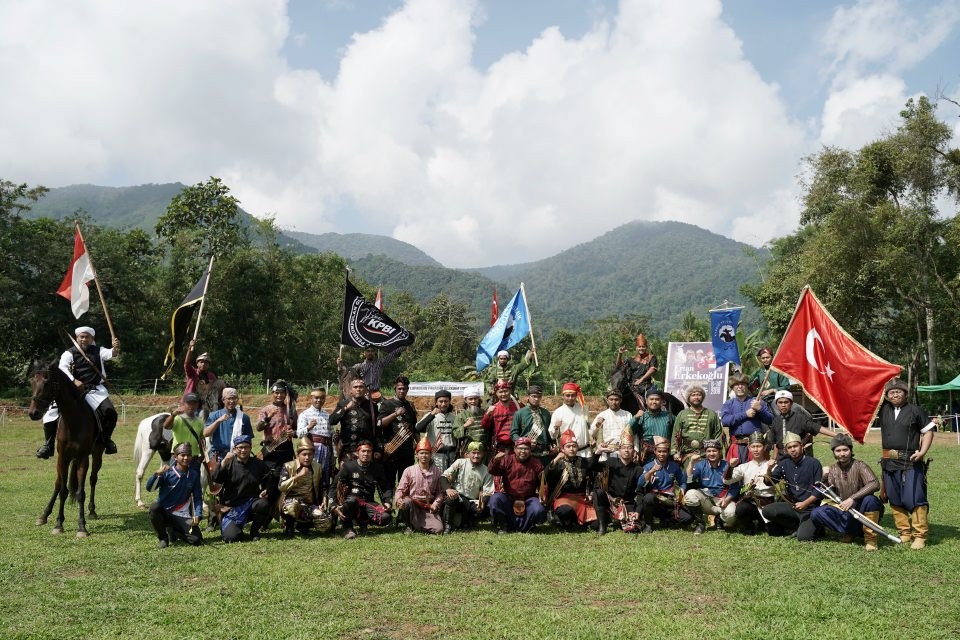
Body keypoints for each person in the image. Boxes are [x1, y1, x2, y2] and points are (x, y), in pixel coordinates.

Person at [877, 379, 937, 549]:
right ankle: (904, 532)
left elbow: (928, 431)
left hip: (911, 461)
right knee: (894, 497)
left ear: (905, 393)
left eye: (898, 391)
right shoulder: (883, 410)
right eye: (891, 392)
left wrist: (922, 452)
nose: (895, 394)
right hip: (888, 461)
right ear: (887, 396)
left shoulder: (915, 410)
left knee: (915, 496)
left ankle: (920, 535)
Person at [797, 433, 884, 550]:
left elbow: (874, 484)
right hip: (843, 509)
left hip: (861, 508)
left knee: (871, 500)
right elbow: (822, 491)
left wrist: (852, 498)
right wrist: (823, 477)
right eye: (838, 451)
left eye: (845, 450)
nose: (842, 454)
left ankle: (870, 539)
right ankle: (849, 532)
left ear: (851, 450)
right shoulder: (832, 469)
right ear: (833, 452)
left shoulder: (860, 465)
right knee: (816, 513)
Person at [57, 326, 120, 454]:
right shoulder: (69, 353)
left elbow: (111, 353)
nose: (84, 339)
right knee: (51, 414)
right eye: (82, 337)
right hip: (75, 392)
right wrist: (73, 380)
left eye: (87, 337)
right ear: (77, 338)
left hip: (95, 391)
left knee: (110, 412)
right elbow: (62, 368)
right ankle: (48, 444)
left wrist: (116, 347)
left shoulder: (99, 351)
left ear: (92, 339)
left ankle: (106, 440)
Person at [210, 434, 271, 543]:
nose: (243, 450)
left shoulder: (258, 464)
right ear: (234, 449)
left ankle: (254, 531)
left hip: (251, 504)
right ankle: (235, 528)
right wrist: (223, 463)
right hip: (231, 508)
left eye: (246, 447)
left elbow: (268, 479)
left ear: (250, 448)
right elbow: (216, 479)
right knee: (231, 538)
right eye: (240, 448)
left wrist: (265, 489)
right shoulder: (228, 464)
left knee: (263, 504)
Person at [761, 432, 822, 536]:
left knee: (804, 538)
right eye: (789, 447)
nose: (793, 449)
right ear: (786, 450)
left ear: (802, 447)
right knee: (767, 511)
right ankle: (796, 526)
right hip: (793, 506)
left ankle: (815, 527)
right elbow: (769, 481)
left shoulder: (814, 463)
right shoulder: (784, 463)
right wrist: (769, 469)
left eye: (795, 446)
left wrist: (805, 504)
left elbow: (819, 490)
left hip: (809, 508)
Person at [330, 441, 394, 539]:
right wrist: (333, 505)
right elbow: (334, 487)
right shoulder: (348, 467)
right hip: (350, 503)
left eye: (369, 451)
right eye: (363, 451)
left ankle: (362, 523)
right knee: (352, 501)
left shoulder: (377, 468)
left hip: (368, 503)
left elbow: (385, 487)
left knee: (386, 517)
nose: (366, 454)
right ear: (357, 453)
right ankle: (348, 527)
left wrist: (388, 501)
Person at [146, 442, 203, 549]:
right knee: (154, 507)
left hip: (182, 515)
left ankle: (174, 531)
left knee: (196, 540)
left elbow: (198, 497)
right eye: (182, 455)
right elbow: (150, 488)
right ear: (175, 457)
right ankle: (163, 538)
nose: (186, 458)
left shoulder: (194, 475)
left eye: (188, 455)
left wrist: (198, 514)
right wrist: (157, 474)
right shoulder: (167, 473)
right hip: (166, 513)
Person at [487, 437, 546, 533]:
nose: (523, 451)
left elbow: (543, 482)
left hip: (529, 499)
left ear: (530, 450)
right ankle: (504, 525)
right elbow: (492, 471)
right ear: (514, 449)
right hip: (509, 497)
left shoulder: (536, 463)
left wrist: (543, 495)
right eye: (520, 448)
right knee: (495, 499)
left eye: (526, 449)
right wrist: (496, 461)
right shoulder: (507, 459)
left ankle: (528, 526)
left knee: (538, 509)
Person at [278, 436, 333, 537]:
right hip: (290, 502)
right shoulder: (288, 466)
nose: (307, 458)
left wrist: (324, 500)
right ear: (297, 455)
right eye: (304, 454)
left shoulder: (317, 467)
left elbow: (323, 487)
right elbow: (281, 487)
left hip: (309, 504)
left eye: (310, 454)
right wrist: (297, 476)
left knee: (325, 523)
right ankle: (289, 525)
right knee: (293, 507)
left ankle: (303, 525)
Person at [723, 432, 776, 535]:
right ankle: (749, 526)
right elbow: (727, 481)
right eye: (753, 447)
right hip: (750, 503)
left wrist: (770, 469)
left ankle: (763, 523)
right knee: (741, 508)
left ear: (764, 447)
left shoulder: (772, 465)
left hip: (768, 503)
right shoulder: (744, 466)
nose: (756, 450)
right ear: (749, 448)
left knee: (774, 531)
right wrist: (730, 466)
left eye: (759, 446)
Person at [592, 431, 645, 534]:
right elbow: (593, 467)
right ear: (619, 450)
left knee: (632, 527)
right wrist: (598, 451)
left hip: (627, 503)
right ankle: (602, 526)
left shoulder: (638, 469)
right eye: (624, 448)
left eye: (629, 448)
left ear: (633, 451)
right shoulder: (611, 462)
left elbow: (640, 493)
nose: (626, 450)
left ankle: (616, 519)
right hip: (610, 502)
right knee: (598, 493)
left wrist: (638, 511)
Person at [545, 430, 597, 530]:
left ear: (577, 447)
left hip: (582, 499)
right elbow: (546, 476)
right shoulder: (559, 463)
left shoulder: (584, 461)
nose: (572, 449)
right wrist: (555, 460)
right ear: (562, 449)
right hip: (563, 499)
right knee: (565, 511)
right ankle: (567, 520)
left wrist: (592, 493)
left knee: (597, 524)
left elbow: (595, 477)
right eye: (568, 446)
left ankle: (576, 522)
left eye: (574, 446)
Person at [683, 439, 736, 534]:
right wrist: (691, 463)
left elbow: (735, 487)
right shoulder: (700, 465)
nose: (711, 453)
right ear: (705, 453)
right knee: (690, 495)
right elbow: (688, 480)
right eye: (708, 451)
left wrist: (727, 500)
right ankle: (700, 524)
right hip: (706, 501)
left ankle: (719, 519)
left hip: (723, 500)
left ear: (720, 452)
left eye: (714, 451)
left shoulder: (728, 465)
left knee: (730, 516)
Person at [257, 380, 298, 504]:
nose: (279, 395)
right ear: (272, 393)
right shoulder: (266, 409)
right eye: (276, 393)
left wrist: (294, 433)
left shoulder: (290, 410)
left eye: (282, 393)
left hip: (286, 450)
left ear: (285, 394)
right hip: (271, 450)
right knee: (268, 478)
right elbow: (259, 427)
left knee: (286, 478)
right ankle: (266, 505)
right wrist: (268, 418)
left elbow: (297, 428)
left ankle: (282, 507)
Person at [440, 442, 494, 533]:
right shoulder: (460, 463)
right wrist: (448, 489)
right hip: (457, 497)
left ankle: (467, 522)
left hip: (471, 501)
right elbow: (444, 477)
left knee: (485, 510)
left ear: (483, 454)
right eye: (473, 453)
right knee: (451, 498)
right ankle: (447, 525)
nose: (476, 456)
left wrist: (482, 503)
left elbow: (488, 492)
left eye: (479, 453)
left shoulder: (486, 471)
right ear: (468, 454)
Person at [638, 441, 691, 533]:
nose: (662, 454)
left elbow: (682, 482)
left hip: (669, 501)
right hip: (654, 501)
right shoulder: (648, 466)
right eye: (659, 451)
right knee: (648, 498)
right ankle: (648, 524)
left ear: (668, 452)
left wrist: (682, 491)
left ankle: (668, 520)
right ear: (655, 451)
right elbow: (640, 483)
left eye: (664, 451)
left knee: (688, 518)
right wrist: (651, 471)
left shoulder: (674, 466)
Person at [395, 436, 445, 534]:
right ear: (416, 455)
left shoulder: (436, 471)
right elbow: (400, 489)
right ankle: (409, 525)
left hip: (428, 506)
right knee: (406, 502)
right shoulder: (409, 470)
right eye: (421, 453)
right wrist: (398, 499)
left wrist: (435, 503)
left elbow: (440, 492)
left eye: (427, 453)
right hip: (413, 504)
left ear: (431, 455)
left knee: (439, 529)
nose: (424, 456)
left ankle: (418, 525)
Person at [720, 373, 773, 464]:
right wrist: (745, 414)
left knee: (754, 475)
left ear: (747, 386)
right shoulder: (728, 404)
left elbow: (770, 420)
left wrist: (760, 409)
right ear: (732, 388)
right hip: (736, 446)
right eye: (737, 384)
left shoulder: (757, 401)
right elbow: (725, 421)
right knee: (735, 475)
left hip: (755, 446)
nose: (740, 387)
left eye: (743, 384)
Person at [767, 390, 836, 459]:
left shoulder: (800, 418)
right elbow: (776, 443)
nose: (783, 405)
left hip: (797, 457)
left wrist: (836, 435)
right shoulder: (775, 421)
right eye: (780, 402)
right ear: (776, 404)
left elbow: (816, 427)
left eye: (786, 402)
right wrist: (774, 459)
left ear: (791, 403)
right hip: (781, 458)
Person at [672, 385, 723, 467]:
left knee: (706, 478)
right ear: (688, 398)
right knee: (688, 478)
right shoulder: (682, 414)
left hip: (706, 454)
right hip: (687, 454)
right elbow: (675, 434)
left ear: (702, 397)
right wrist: (674, 452)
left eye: (698, 395)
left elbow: (718, 435)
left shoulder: (712, 414)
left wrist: (718, 452)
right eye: (693, 395)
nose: (696, 397)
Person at [329, 378, 379, 463]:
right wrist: (346, 408)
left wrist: (378, 449)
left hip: (366, 450)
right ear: (350, 391)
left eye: (361, 387)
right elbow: (332, 420)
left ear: (365, 390)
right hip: (347, 449)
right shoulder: (343, 404)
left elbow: (377, 429)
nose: (358, 389)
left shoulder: (372, 406)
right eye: (355, 387)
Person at [380, 376, 419, 483]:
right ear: (395, 388)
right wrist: (395, 414)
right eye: (399, 388)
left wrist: (419, 444)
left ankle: (401, 500)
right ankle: (388, 500)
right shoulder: (387, 404)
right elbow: (381, 423)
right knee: (389, 481)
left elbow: (414, 428)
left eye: (404, 388)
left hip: (407, 451)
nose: (402, 391)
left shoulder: (410, 406)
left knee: (406, 482)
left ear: (407, 389)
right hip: (391, 448)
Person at [296, 387, 335, 491]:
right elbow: (299, 434)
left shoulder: (327, 415)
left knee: (325, 477)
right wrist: (308, 427)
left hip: (326, 451)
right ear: (311, 398)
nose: (319, 400)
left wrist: (334, 455)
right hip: (312, 450)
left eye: (322, 398)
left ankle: (323, 503)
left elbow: (332, 436)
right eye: (316, 398)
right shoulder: (304, 414)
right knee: (312, 477)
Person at [337, 344, 406, 402]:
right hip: (363, 394)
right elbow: (347, 372)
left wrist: (403, 345)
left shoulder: (380, 363)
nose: (370, 353)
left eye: (372, 351)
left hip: (377, 394)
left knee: (385, 409)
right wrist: (340, 365)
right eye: (368, 351)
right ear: (364, 353)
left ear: (374, 353)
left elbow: (392, 355)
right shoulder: (359, 366)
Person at [612, 333, 658, 413]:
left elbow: (652, 369)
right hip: (631, 387)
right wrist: (620, 354)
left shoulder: (652, 358)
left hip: (645, 386)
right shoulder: (631, 359)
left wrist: (641, 380)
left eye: (643, 347)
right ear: (636, 348)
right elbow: (618, 366)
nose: (641, 348)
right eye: (639, 347)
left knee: (650, 403)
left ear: (646, 347)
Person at [204, 387, 253, 462]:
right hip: (218, 457)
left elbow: (248, 439)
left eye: (234, 398)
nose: (232, 401)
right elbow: (205, 433)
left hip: (237, 457)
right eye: (229, 399)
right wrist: (218, 421)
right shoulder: (214, 415)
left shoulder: (244, 417)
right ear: (223, 400)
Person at [510, 385, 554, 467]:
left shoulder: (546, 414)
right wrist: (524, 441)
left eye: (539, 397)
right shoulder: (520, 413)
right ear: (528, 396)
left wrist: (552, 445)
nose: (536, 399)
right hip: (526, 454)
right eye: (534, 396)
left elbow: (549, 434)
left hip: (545, 454)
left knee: (544, 478)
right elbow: (513, 433)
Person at [416, 389, 458, 473]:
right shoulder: (430, 416)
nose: (443, 404)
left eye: (446, 401)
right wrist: (432, 415)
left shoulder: (454, 417)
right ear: (436, 403)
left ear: (449, 402)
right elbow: (418, 428)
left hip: (452, 454)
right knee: (437, 479)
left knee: (450, 480)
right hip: (436, 455)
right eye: (440, 401)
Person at [629, 388, 675, 463]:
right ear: (646, 401)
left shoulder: (669, 416)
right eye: (651, 399)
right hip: (647, 456)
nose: (654, 402)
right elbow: (630, 432)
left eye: (657, 399)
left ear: (661, 402)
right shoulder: (641, 416)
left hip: (665, 455)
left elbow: (677, 433)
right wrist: (636, 418)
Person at [549, 382, 591, 460]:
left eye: (573, 395)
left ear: (576, 396)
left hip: (585, 452)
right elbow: (552, 436)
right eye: (567, 395)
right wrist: (556, 428)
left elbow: (589, 429)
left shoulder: (583, 409)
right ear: (563, 396)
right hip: (568, 454)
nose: (570, 398)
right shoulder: (558, 412)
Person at [164, 393, 205, 471]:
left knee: (193, 482)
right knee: (175, 481)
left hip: (194, 458)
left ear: (197, 405)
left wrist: (202, 455)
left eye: (194, 403)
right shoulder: (178, 418)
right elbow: (166, 426)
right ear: (184, 404)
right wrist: (173, 415)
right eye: (189, 403)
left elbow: (200, 439)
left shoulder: (200, 422)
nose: (191, 406)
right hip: (179, 457)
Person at [183, 340, 224, 420]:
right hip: (191, 403)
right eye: (201, 362)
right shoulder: (192, 373)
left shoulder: (211, 376)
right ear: (197, 364)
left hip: (205, 405)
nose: (203, 364)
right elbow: (186, 363)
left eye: (206, 362)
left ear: (208, 365)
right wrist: (190, 348)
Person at [590, 390, 633, 462]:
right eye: (611, 399)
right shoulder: (602, 415)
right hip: (606, 453)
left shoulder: (627, 415)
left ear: (621, 400)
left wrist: (636, 449)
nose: (614, 402)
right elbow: (592, 434)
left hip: (623, 453)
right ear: (607, 401)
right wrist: (597, 426)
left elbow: (633, 434)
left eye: (616, 400)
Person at [482, 381, 519, 455]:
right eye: (500, 392)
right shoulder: (493, 409)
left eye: (506, 391)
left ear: (510, 391)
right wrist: (487, 413)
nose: (503, 394)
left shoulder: (518, 407)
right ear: (496, 393)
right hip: (499, 447)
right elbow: (485, 426)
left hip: (516, 447)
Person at [453, 389, 488, 459]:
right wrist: (465, 425)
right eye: (470, 399)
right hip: (468, 451)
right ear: (466, 400)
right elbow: (455, 433)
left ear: (479, 399)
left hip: (484, 450)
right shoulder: (461, 416)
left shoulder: (485, 413)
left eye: (475, 398)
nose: (473, 401)